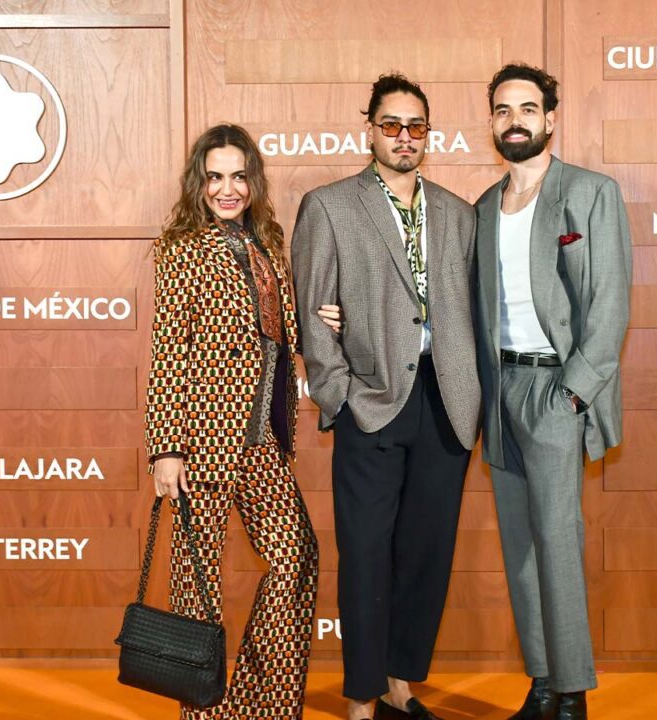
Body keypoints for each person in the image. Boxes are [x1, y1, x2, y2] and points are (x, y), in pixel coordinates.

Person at [291, 74, 481, 720]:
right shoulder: (330, 207)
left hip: (446, 403)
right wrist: (338, 394)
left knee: (426, 554)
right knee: (367, 555)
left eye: (416, 126)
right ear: (369, 129)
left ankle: (401, 683)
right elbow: (313, 314)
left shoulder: (458, 213)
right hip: (370, 401)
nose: (404, 137)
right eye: (391, 125)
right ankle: (361, 696)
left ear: (429, 134)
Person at [144, 123, 320, 720]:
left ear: (253, 181)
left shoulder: (264, 242)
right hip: (200, 439)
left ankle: (261, 702)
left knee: (295, 556)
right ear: (199, 183)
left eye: (239, 176)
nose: (228, 189)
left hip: (261, 438)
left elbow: (278, 334)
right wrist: (166, 447)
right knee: (198, 588)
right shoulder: (182, 249)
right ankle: (202, 713)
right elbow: (169, 350)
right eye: (215, 177)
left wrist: (323, 319)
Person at [474, 64, 632, 720]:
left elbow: (610, 302)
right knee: (520, 546)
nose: (515, 120)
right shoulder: (483, 207)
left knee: (558, 542)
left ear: (549, 119)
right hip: (500, 390)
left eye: (527, 109)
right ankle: (541, 686)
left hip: (555, 392)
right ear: (491, 122)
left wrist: (573, 395)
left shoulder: (591, 193)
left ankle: (571, 694)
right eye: (503, 109)